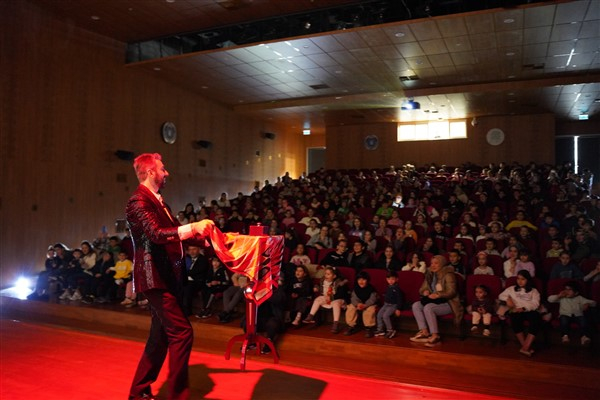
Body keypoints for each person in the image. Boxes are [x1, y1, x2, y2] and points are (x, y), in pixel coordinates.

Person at [125, 153, 214, 400]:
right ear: (151, 172)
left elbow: (177, 233)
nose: (167, 173)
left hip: (165, 277)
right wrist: (194, 227)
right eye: (163, 169)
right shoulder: (138, 202)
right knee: (182, 332)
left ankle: (138, 392)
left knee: (160, 336)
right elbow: (157, 233)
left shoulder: (158, 201)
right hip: (155, 277)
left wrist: (214, 239)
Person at [409, 255, 463, 347]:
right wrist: (424, 291)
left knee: (428, 307)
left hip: (449, 303)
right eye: (432, 263)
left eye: (436, 263)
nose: (433, 265)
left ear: (442, 264)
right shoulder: (430, 273)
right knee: (416, 305)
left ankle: (435, 336)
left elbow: (452, 292)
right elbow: (422, 289)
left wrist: (438, 294)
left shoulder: (448, 274)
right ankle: (424, 332)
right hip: (434, 301)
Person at [498, 270, 541, 357]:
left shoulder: (533, 291)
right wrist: (508, 299)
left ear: (527, 280)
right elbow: (501, 296)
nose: (520, 281)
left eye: (523, 279)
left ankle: (525, 348)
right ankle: (525, 347)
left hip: (528, 310)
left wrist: (524, 308)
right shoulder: (512, 289)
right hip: (516, 310)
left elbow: (536, 304)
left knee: (536, 319)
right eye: (518, 279)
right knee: (514, 318)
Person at [547, 281, 596, 345]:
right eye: (565, 289)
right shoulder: (562, 298)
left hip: (578, 316)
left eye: (569, 290)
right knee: (564, 320)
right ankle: (565, 336)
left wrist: (588, 304)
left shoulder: (580, 298)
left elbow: (594, 303)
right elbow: (550, 299)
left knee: (583, 321)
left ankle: (584, 337)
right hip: (565, 315)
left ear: (576, 293)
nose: (567, 291)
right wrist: (559, 296)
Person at [302, 266, 348, 334]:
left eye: (328, 274)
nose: (326, 275)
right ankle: (310, 316)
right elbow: (318, 285)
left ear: (334, 276)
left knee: (336, 304)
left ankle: (335, 324)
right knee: (318, 299)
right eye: (325, 273)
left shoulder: (340, 283)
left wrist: (331, 298)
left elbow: (340, 294)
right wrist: (316, 287)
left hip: (337, 299)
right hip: (326, 297)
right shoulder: (322, 280)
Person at [344, 271, 378, 337]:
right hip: (359, 304)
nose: (361, 281)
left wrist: (365, 305)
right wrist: (357, 304)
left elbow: (372, 299)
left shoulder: (371, 288)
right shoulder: (356, 288)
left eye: (363, 279)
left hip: (368, 304)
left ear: (367, 280)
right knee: (351, 307)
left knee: (370, 310)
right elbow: (353, 298)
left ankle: (369, 328)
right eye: (359, 280)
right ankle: (351, 326)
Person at [373, 272, 403, 339]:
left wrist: (398, 309)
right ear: (387, 279)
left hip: (393, 305)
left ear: (396, 279)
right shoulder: (388, 287)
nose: (391, 281)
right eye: (389, 279)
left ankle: (390, 330)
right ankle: (380, 329)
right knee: (379, 315)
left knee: (385, 315)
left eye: (392, 279)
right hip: (386, 304)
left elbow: (399, 299)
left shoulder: (397, 289)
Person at [182, 245, 210, 316]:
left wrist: (185, 273)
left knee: (188, 288)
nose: (192, 252)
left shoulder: (203, 260)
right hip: (186, 280)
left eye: (194, 249)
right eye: (190, 250)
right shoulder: (186, 259)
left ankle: (187, 311)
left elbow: (197, 271)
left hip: (198, 282)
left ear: (198, 249)